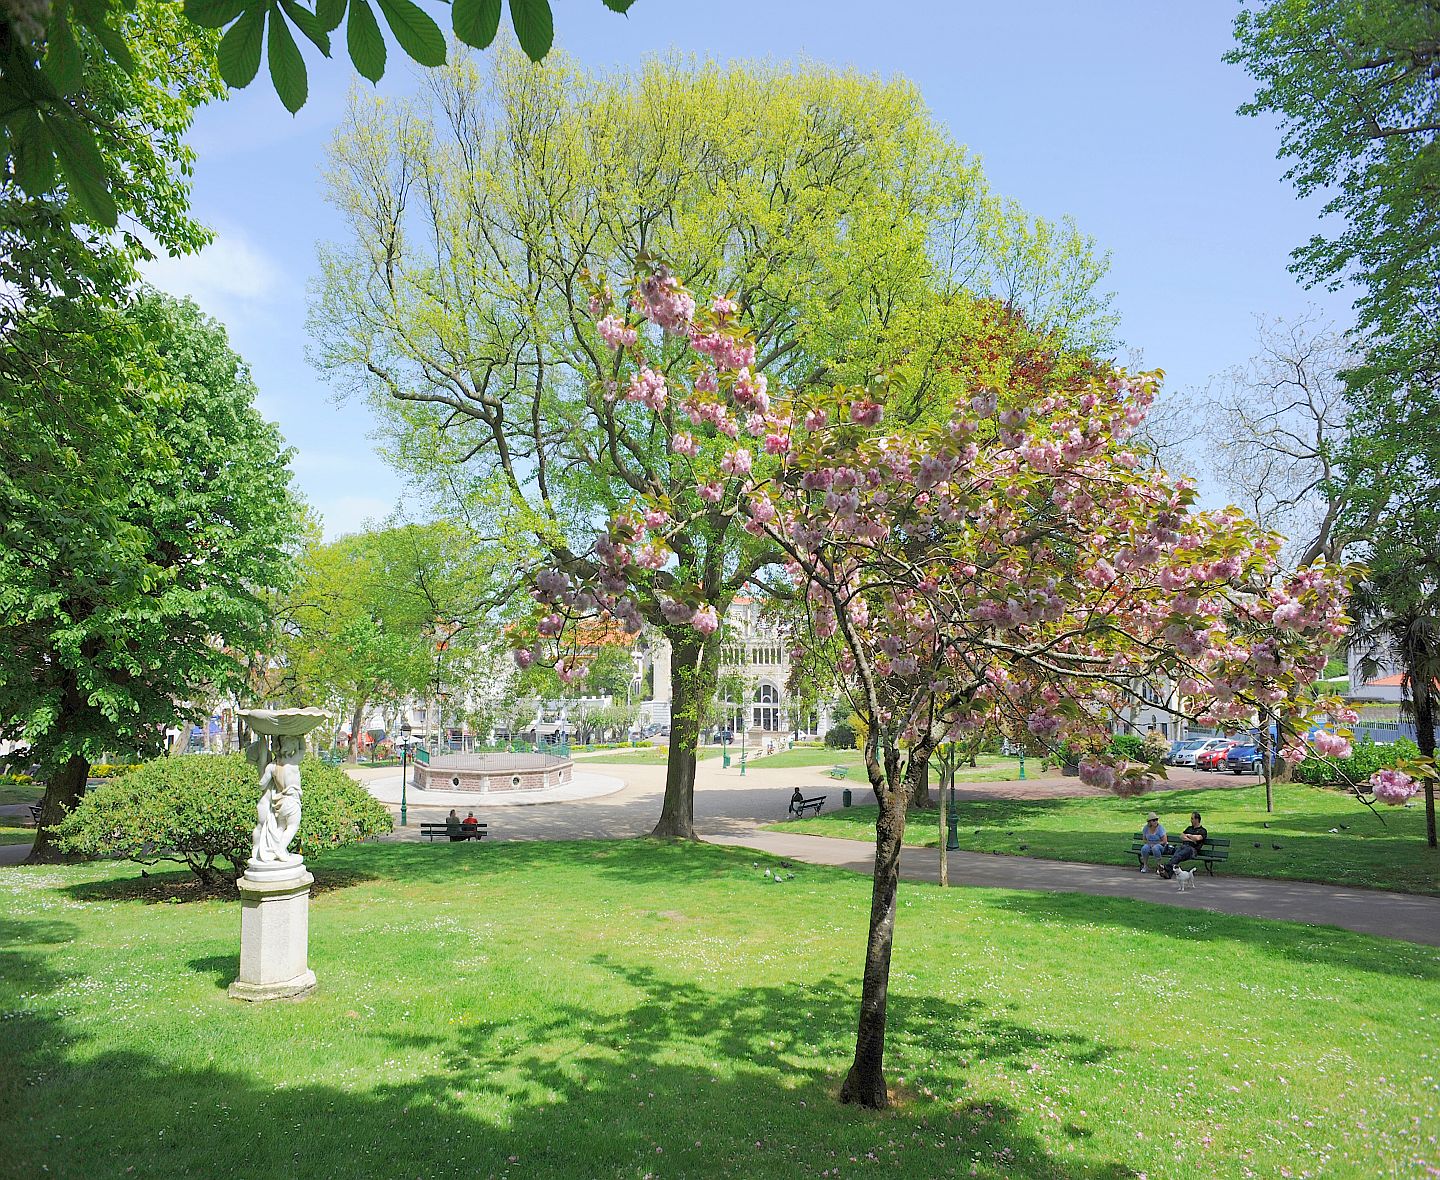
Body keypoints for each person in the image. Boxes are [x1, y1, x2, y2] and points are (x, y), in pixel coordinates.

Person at [1161, 811, 1207, 878]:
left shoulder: (1203, 830)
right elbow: (1181, 836)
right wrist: (1190, 839)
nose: (1191, 820)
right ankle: (1168, 874)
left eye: (1192, 818)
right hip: (1184, 847)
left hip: (1192, 850)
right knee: (1177, 855)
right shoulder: (1189, 828)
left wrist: (1188, 835)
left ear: (1197, 819)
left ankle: (1166, 868)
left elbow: (1198, 838)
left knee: (1178, 855)